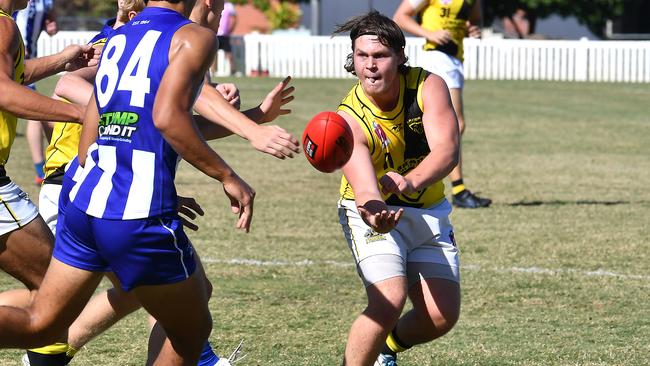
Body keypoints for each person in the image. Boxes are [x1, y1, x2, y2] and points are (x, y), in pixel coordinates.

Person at [0, 0, 290, 365]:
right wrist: (227, 176)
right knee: (191, 329)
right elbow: (169, 118)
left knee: (40, 323)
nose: (215, 11)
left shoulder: (119, 38)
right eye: (214, 5)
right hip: (132, 211)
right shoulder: (192, 38)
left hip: (84, 201)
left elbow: (93, 135)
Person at [333, 11, 461, 366]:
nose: (370, 66)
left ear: (401, 56)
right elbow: (364, 190)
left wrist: (410, 181)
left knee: (441, 316)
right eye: (362, 56)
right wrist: (374, 214)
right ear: (353, 59)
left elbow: (448, 151)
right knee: (388, 298)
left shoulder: (427, 85)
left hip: (427, 209)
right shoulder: (348, 118)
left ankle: (385, 350)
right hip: (372, 214)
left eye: (380, 56)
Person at [0, 0, 98, 362]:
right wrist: (80, 113)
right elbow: (3, 91)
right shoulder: (3, 25)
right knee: (57, 289)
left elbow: (12, 74)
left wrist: (61, 60)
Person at [393, 0, 491, 208]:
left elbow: (473, 20)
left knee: (442, 125)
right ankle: (457, 189)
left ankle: (422, 178)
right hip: (438, 58)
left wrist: (471, 30)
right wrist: (429, 33)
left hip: (455, 59)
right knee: (455, 124)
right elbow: (400, 17)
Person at [13, 0, 58, 185]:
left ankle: (42, 169)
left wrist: (50, 25)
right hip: (11, 58)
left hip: (28, 61)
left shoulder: (47, 1)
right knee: (34, 111)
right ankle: (42, 169)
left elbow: (51, 22)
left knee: (35, 113)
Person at [209, 1, 236, 77]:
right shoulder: (215, 3)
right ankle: (213, 71)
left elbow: (234, 18)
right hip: (216, 33)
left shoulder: (229, 5)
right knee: (213, 54)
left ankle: (233, 71)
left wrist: (231, 29)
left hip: (224, 35)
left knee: (229, 53)